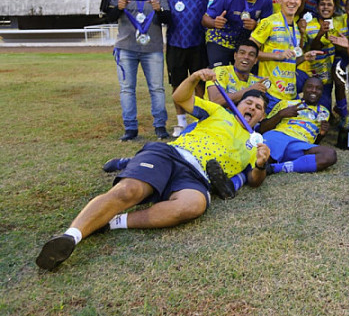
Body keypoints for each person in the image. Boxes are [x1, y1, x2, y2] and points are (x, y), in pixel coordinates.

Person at [35, 69, 270, 270]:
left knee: (193, 205)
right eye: (248, 102)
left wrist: (260, 164)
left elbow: (255, 179)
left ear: (262, 116)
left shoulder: (257, 143)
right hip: (171, 154)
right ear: (237, 104)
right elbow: (180, 97)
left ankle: (112, 222)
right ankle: (71, 237)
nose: (251, 107)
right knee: (129, 192)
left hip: (197, 177)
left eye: (258, 107)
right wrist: (195, 78)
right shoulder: (218, 112)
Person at [154, 0, 230, 137]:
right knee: (177, 84)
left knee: (200, 84)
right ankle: (180, 123)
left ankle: (201, 121)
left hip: (198, 41)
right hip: (174, 41)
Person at [106, 0, 171, 141]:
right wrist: (117, 8)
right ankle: (130, 129)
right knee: (127, 89)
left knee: (157, 88)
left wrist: (160, 11)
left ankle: (160, 126)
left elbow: (168, 19)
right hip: (126, 47)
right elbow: (109, 17)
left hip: (153, 48)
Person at [250, 0, 322, 112]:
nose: (292, 1)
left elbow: (291, 62)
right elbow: (249, 53)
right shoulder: (268, 22)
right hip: (270, 93)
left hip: (290, 94)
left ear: (300, 2)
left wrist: (304, 57)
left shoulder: (296, 28)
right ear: (280, 0)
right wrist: (277, 56)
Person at [258, 77, 337, 174]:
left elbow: (314, 141)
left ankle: (276, 168)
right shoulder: (286, 103)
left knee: (329, 155)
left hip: (299, 145)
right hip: (278, 136)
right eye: (309, 87)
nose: (313, 90)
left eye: (318, 88)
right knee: (260, 161)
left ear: (322, 92)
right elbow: (262, 129)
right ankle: (270, 165)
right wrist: (281, 114)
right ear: (303, 89)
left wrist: (322, 134)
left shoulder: (324, 112)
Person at [202, 0, 273, 68]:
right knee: (218, 75)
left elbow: (268, 27)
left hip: (245, 42)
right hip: (221, 38)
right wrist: (214, 23)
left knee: (248, 77)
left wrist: (256, 26)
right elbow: (204, 20)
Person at [297, 0, 340, 111]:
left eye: (329, 5)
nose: (325, 7)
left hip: (325, 78)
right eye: (322, 4)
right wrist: (305, 32)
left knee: (324, 114)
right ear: (317, 7)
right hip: (306, 73)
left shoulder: (339, 24)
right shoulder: (308, 25)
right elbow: (304, 49)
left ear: (334, 8)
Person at [203, 39, 269, 108]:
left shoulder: (257, 82)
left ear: (255, 60)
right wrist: (250, 90)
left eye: (251, 55)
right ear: (235, 56)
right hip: (213, 117)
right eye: (242, 53)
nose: (246, 57)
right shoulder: (220, 71)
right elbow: (216, 100)